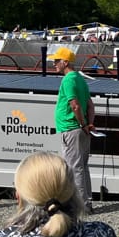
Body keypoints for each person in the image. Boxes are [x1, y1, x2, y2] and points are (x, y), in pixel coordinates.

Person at [49, 45, 96, 212]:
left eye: (56, 61)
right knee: (82, 166)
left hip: (71, 128)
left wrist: (83, 124)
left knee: (74, 168)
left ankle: (80, 206)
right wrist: (89, 125)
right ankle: (87, 202)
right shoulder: (80, 79)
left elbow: (75, 105)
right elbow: (90, 105)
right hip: (82, 130)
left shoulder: (68, 80)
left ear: (65, 62)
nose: (54, 64)